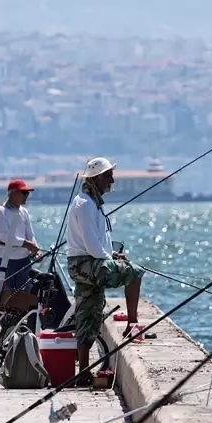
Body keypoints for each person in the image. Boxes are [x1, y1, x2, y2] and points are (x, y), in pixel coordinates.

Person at [64, 156, 146, 387]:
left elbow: (100, 241)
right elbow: (91, 244)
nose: (112, 179)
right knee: (135, 272)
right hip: (86, 264)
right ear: (97, 178)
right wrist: (111, 259)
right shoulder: (86, 204)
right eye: (108, 175)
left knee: (88, 316)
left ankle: (82, 373)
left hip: (86, 263)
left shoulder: (92, 202)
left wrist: (113, 255)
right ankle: (132, 325)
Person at [0, 178, 41, 307]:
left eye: (27, 193)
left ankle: (22, 326)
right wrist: (28, 245)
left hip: (23, 262)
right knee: (5, 299)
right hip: (4, 262)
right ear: (12, 193)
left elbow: (30, 234)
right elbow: (5, 237)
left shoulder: (24, 212)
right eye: (23, 193)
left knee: (24, 297)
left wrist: (36, 249)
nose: (26, 196)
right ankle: (6, 326)